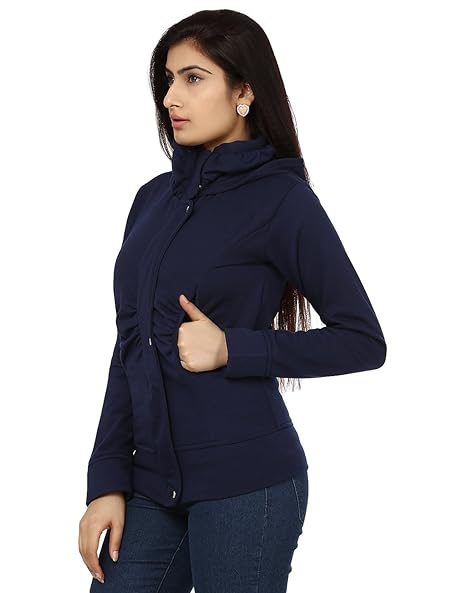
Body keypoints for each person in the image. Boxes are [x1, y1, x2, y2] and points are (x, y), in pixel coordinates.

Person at [78, 9, 387, 593]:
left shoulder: (282, 200)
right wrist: (107, 480)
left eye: (193, 78)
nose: (171, 97)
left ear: (244, 91)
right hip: (151, 484)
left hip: (248, 485)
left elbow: (363, 341)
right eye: (167, 80)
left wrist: (232, 349)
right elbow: (130, 348)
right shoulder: (150, 201)